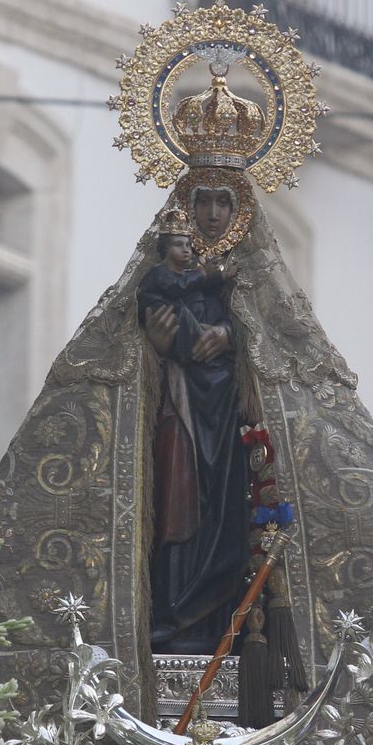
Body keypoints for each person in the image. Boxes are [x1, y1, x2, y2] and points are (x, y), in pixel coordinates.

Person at [136, 207, 248, 654]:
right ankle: (171, 609)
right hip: (176, 403)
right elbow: (135, 324)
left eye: (226, 201)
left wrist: (229, 335)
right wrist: (154, 345)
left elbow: (273, 333)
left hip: (223, 410)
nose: (215, 214)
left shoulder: (249, 270)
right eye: (205, 201)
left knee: (220, 504)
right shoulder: (166, 277)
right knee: (175, 498)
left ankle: (212, 612)